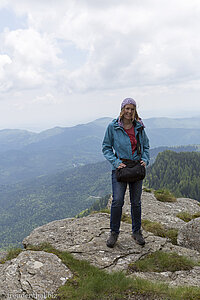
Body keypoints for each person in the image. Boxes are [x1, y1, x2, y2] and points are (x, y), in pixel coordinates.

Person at [102, 98, 150, 248]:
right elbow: (106, 148)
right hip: (121, 168)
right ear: (122, 109)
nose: (129, 111)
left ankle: (136, 232)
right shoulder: (113, 127)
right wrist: (116, 163)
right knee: (117, 201)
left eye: (132, 109)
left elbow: (146, 146)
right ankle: (114, 233)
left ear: (135, 111)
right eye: (127, 108)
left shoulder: (139, 127)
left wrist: (145, 159)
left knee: (136, 202)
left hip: (136, 167)